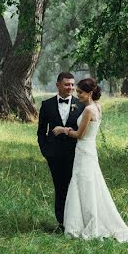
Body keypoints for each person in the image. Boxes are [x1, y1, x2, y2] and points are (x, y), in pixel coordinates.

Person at [62, 78, 128, 242]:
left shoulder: (88, 110)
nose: (77, 94)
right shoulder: (97, 107)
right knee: (90, 183)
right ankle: (85, 220)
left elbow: (79, 134)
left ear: (89, 93)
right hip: (89, 149)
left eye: (80, 92)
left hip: (84, 149)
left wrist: (64, 130)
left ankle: (86, 224)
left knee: (84, 184)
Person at [37, 72, 84, 232]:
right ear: (58, 85)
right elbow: (41, 131)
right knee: (60, 187)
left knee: (74, 186)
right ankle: (62, 222)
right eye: (66, 84)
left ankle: (77, 221)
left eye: (72, 84)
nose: (70, 87)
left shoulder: (81, 105)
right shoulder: (47, 105)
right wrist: (46, 151)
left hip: (76, 153)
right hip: (54, 154)